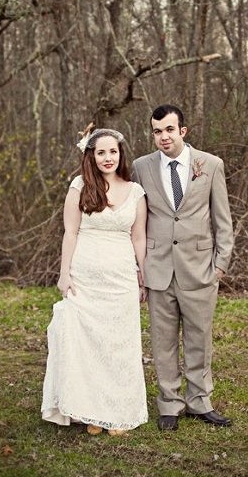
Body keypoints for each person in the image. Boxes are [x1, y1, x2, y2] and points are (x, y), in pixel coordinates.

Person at [131, 105, 234, 431]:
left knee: (199, 338)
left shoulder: (210, 165)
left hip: (200, 268)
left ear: (183, 131)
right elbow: (137, 219)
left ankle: (200, 401)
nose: (163, 137)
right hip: (157, 267)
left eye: (169, 130)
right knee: (162, 341)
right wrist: (138, 265)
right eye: (157, 131)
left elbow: (223, 221)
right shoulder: (141, 167)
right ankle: (170, 404)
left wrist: (220, 264)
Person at [41, 125, 148, 436]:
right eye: (101, 152)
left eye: (112, 151)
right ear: (92, 155)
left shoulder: (135, 191)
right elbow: (70, 232)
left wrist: (143, 277)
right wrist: (63, 274)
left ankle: (118, 412)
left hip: (121, 278)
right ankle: (92, 411)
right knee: (87, 343)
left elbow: (138, 237)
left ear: (120, 154)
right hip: (85, 277)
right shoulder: (79, 186)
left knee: (119, 344)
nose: (107, 157)